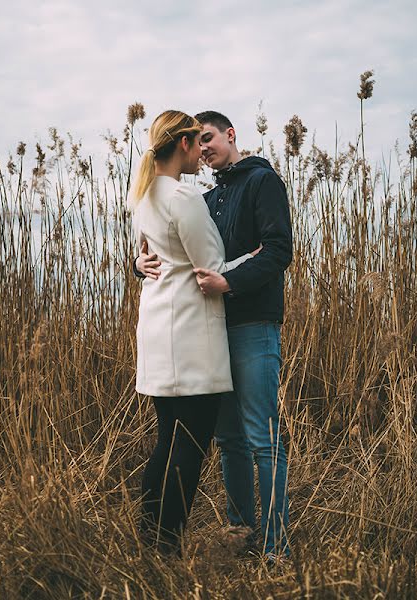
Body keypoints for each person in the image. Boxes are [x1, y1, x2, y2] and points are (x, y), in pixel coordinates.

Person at [136, 111, 293, 560]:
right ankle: (241, 533)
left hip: (252, 325)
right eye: (197, 141)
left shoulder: (263, 182)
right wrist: (137, 264)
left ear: (231, 134)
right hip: (211, 330)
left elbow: (280, 249)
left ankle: (275, 545)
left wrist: (232, 280)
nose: (204, 148)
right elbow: (178, 255)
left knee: (262, 437)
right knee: (228, 441)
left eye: (210, 138)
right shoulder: (205, 196)